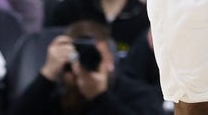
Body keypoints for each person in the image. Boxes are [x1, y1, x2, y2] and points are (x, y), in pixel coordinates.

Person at [10, 20, 164, 115]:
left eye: (93, 57)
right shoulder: (54, 94)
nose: (80, 67)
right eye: (75, 58)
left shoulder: (135, 94)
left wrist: (101, 96)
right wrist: (47, 74)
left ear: (110, 60)